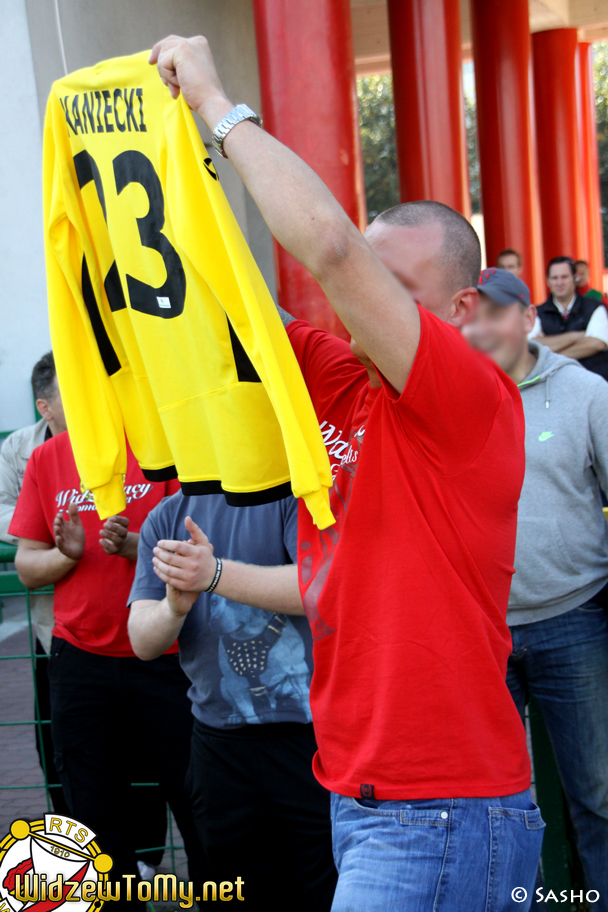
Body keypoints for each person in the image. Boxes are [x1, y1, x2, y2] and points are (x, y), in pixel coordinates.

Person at [146, 35, 545, 912]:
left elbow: (327, 245)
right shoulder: (341, 377)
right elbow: (226, 304)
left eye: (388, 282)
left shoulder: (469, 396)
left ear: (458, 308)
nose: (358, 297)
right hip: (360, 792)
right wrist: (160, 154)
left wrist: (217, 104)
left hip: (441, 808)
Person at [9, 428, 206, 909]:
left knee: (199, 805)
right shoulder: (48, 457)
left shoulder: (167, 442)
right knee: (93, 816)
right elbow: (26, 565)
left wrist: (134, 544)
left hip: (170, 660)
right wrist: (65, 555)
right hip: (80, 664)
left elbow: (203, 551)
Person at [464, 267, 608, 911]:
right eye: (476, 313)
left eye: (501, 313)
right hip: (478, 630)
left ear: (529, 318)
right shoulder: (450, 396)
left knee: (598, 790)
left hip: (574, 619)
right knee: (487, 797)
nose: (486, 326)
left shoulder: (585, 394)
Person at [128, 492, 336, 911]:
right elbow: (142, 640)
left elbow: (322, 589)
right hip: (219, 746)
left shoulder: (295, 493)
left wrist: (215, 573)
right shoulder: (165, 518)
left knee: (328, 889)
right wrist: (173, 608)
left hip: (312, 740)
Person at [0, 352, 68, 813]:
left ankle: (142, 856)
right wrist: (47, 530)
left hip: (124, 615)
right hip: (53, 621)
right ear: (45, 407)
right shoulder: (19, 447)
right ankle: (72, 833)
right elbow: (2, 508)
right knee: (59, 735)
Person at [531, 256, 608, 378]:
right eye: (554, 278)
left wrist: (551, 357)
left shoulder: (596, 307)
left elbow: (597, 343)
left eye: (564, 277)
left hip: (594, 382)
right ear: (547, 281)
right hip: (554, 388)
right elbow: (533, 347)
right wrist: (576, 336)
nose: (559, 282)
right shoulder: (535, 313)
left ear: (574, 278)